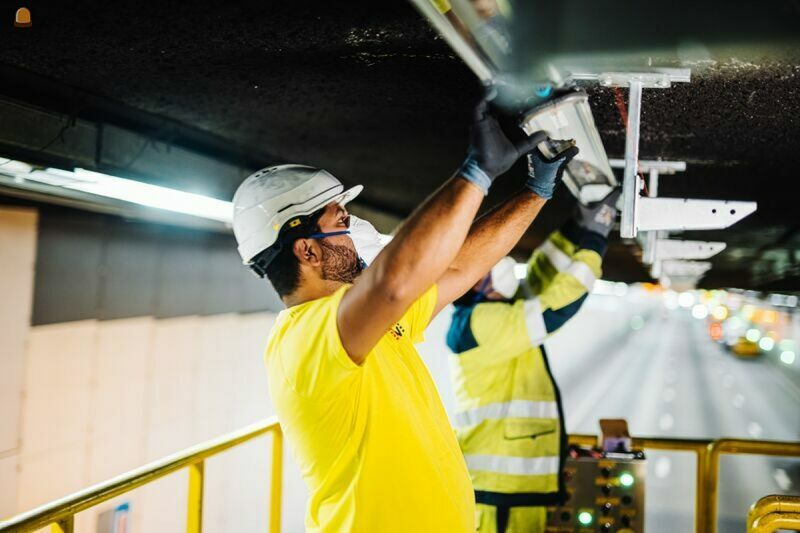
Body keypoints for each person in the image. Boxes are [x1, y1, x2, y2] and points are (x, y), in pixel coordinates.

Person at [231, 97, 578, 532]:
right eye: (342, 220)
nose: (355, 234)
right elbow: (393, 283)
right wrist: (475, 174)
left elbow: (457, 268)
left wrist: (536, 191)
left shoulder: (375, 328)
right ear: (307, 250)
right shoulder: (302, 343)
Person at [445, 187, 621, 533]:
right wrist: (595, 240)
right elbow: (556, 305)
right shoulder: (483, 323)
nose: (495, 260)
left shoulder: (490, 312)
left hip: (507, 488)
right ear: (473, 282)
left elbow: (541, 276)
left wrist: (577, 227)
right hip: (499, 493)